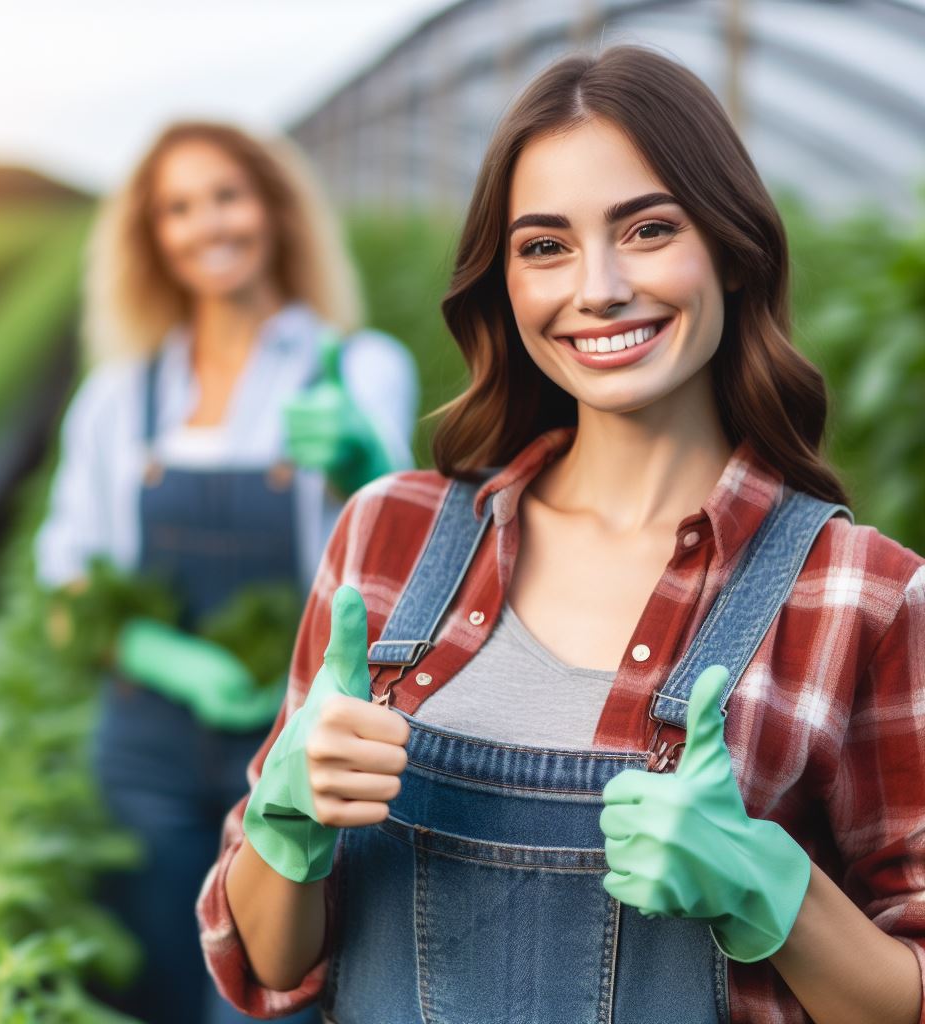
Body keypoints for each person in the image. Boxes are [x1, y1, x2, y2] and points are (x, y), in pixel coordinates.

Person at [198, 48, 925, 1024]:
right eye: (545, 246)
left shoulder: (861, 597)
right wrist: (285, 832)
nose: (600, 286)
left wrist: (779, 896)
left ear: (734, 248)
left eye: (649, 229)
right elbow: (272, 960)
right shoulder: (389, 536)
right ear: (503, 285)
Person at [34, 121, 418, 1024]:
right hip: (145, 752)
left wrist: (367, 464)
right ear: (151, 236)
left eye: (227, 196)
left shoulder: (355, 366)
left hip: (299, 748)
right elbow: (65, 580)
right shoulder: (120, 397)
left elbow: (411, 559)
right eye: (178, 207)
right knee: (163, 986)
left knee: (267, 999)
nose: (208, 224)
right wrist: (157, 653)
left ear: (275, 210)